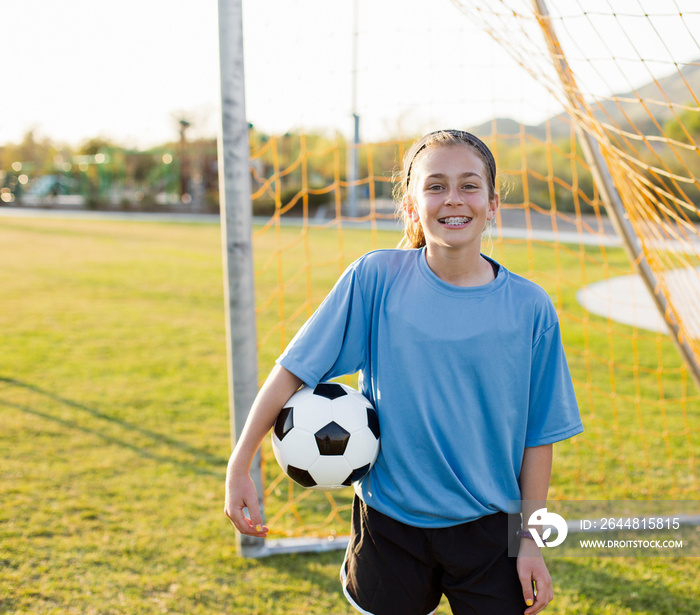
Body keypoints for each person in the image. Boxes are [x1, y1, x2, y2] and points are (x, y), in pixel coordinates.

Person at [225, 129, 583, 615]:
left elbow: (539, 436)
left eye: (469, 185)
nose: (453, 199)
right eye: (435, 186)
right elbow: (294, 369)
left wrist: (528, 542)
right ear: (413, 206)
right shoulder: (376, 279)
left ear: (493, 203)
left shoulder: (530, 308)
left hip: (489, 528)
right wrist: (241, 460)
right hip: (390, 524)